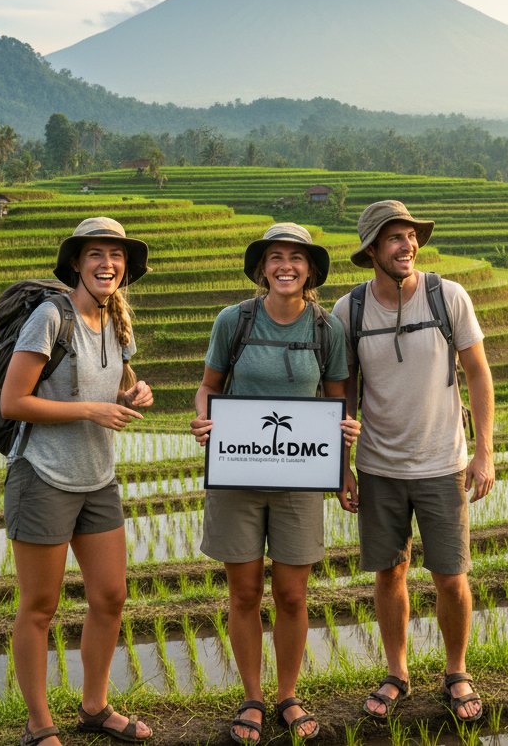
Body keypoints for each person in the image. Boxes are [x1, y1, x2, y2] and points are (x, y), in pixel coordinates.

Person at [190, 223, 360, 743]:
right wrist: (205, 421)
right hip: (238, 475)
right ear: (262, 267)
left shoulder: (327, 329)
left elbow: (336, 401)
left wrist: (344, 456)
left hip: (299, 478)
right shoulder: (233, 320)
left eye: (296, 258)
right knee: (243, 593)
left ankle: (288, 694)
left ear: (310, 270)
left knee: (291, 594)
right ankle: (253, 697)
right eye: (276, 257)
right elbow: (207, 388)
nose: (286, 265)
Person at [332, 201, 495, 725]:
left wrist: (484, 451)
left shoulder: (447, 296)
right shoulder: (349, 311)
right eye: (394, 239)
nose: (407, 246)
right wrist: (343, 464)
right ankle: (397, 671)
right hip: (379, 466)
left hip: (443, 463)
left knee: (451, 576)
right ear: (372, 251)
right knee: (389, 574)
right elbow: (344, 391)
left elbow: (477, 372)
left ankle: (456, 671)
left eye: (410, 236)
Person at [0, 217, 155, 746]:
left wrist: (134, 394)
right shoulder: (50, 317)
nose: (107, 263)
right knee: (40, 606)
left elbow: (117, 383)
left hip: (97, 478)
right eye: (96, 254)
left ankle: (94, 707)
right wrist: (90, 409)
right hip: (43, 475)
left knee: (111, 596)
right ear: (76, 263)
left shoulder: (117, 322)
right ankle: (39, 725)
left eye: (116, 255)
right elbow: (13, 402)